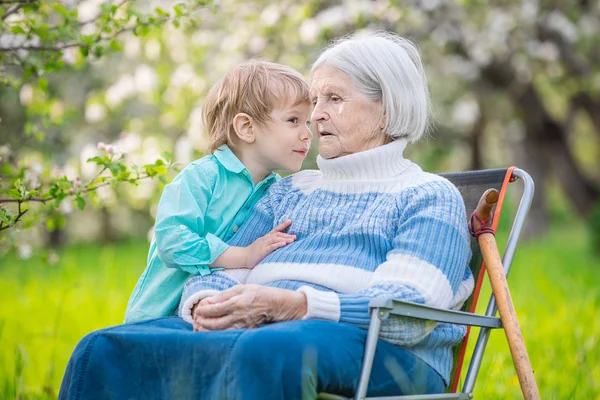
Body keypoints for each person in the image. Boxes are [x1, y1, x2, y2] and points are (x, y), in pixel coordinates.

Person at [60, 32, 473, 400]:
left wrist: (293, 305)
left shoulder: (428, 196)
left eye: (334, 99)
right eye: (314, 101)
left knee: (270, 351)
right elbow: (227, 264)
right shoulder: (288, 190)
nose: (314, 116)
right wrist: (206, 303)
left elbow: (408, 312)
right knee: (102, 349)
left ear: (387, 109)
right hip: (260, 334)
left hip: (385, 355)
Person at [124, 60, 312, 323]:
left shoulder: (278, 194)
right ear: (247, 128)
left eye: (308, 123)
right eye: (294, 120)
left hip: (214, 318)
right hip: (158, 318)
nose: (307, 134)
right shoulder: (202, 177)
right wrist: (243, 256)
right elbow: (171, 240)